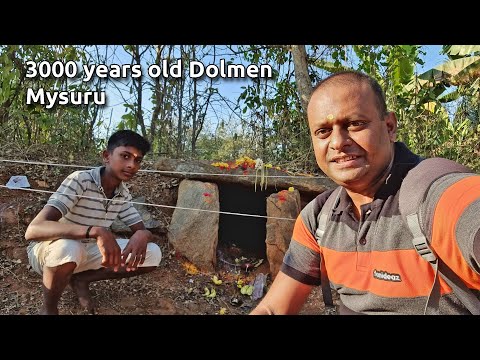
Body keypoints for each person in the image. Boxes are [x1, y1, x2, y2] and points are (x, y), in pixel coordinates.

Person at [251, 70, 480, 315]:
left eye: (355, 124)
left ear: (390, 127)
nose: (337, 142)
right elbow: (273, 308)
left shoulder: (432, 194)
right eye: (323, 131)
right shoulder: (319, 219)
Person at [25, 130, 162, 315]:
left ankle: (81, 280)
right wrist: (95, 231)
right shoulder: (80, 180)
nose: (132, 165)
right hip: (49, 251)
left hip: (87, 252)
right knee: (69, 248)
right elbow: (33, 230)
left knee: (153, 253)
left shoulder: (122, 193)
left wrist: (142, 234)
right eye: (125, 156)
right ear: (106, 156)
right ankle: (48, 309)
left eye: (137, 160)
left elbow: (142, 229)